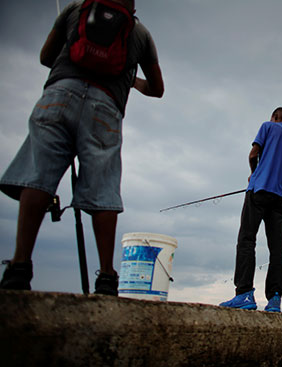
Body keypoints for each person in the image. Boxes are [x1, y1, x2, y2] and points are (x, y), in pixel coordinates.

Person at [0, 0, 164, 296]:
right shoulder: (140, 33)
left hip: (58, 95)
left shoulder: (74, 10)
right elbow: (158, 89)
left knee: (38, 175)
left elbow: (46, 56)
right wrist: (130, 82)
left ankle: (20, 265)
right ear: (133, 6)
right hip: (106, 108)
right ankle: (107, 277)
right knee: (103, 187)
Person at [220, 107, 282, 312]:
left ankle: (244, 294)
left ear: (275, 117)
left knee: (247, 240)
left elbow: (253, 154)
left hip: (258, 191)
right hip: (280, 199)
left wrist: (255, 173)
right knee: (277, 247)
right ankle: (275, 298)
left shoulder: (267, 126)